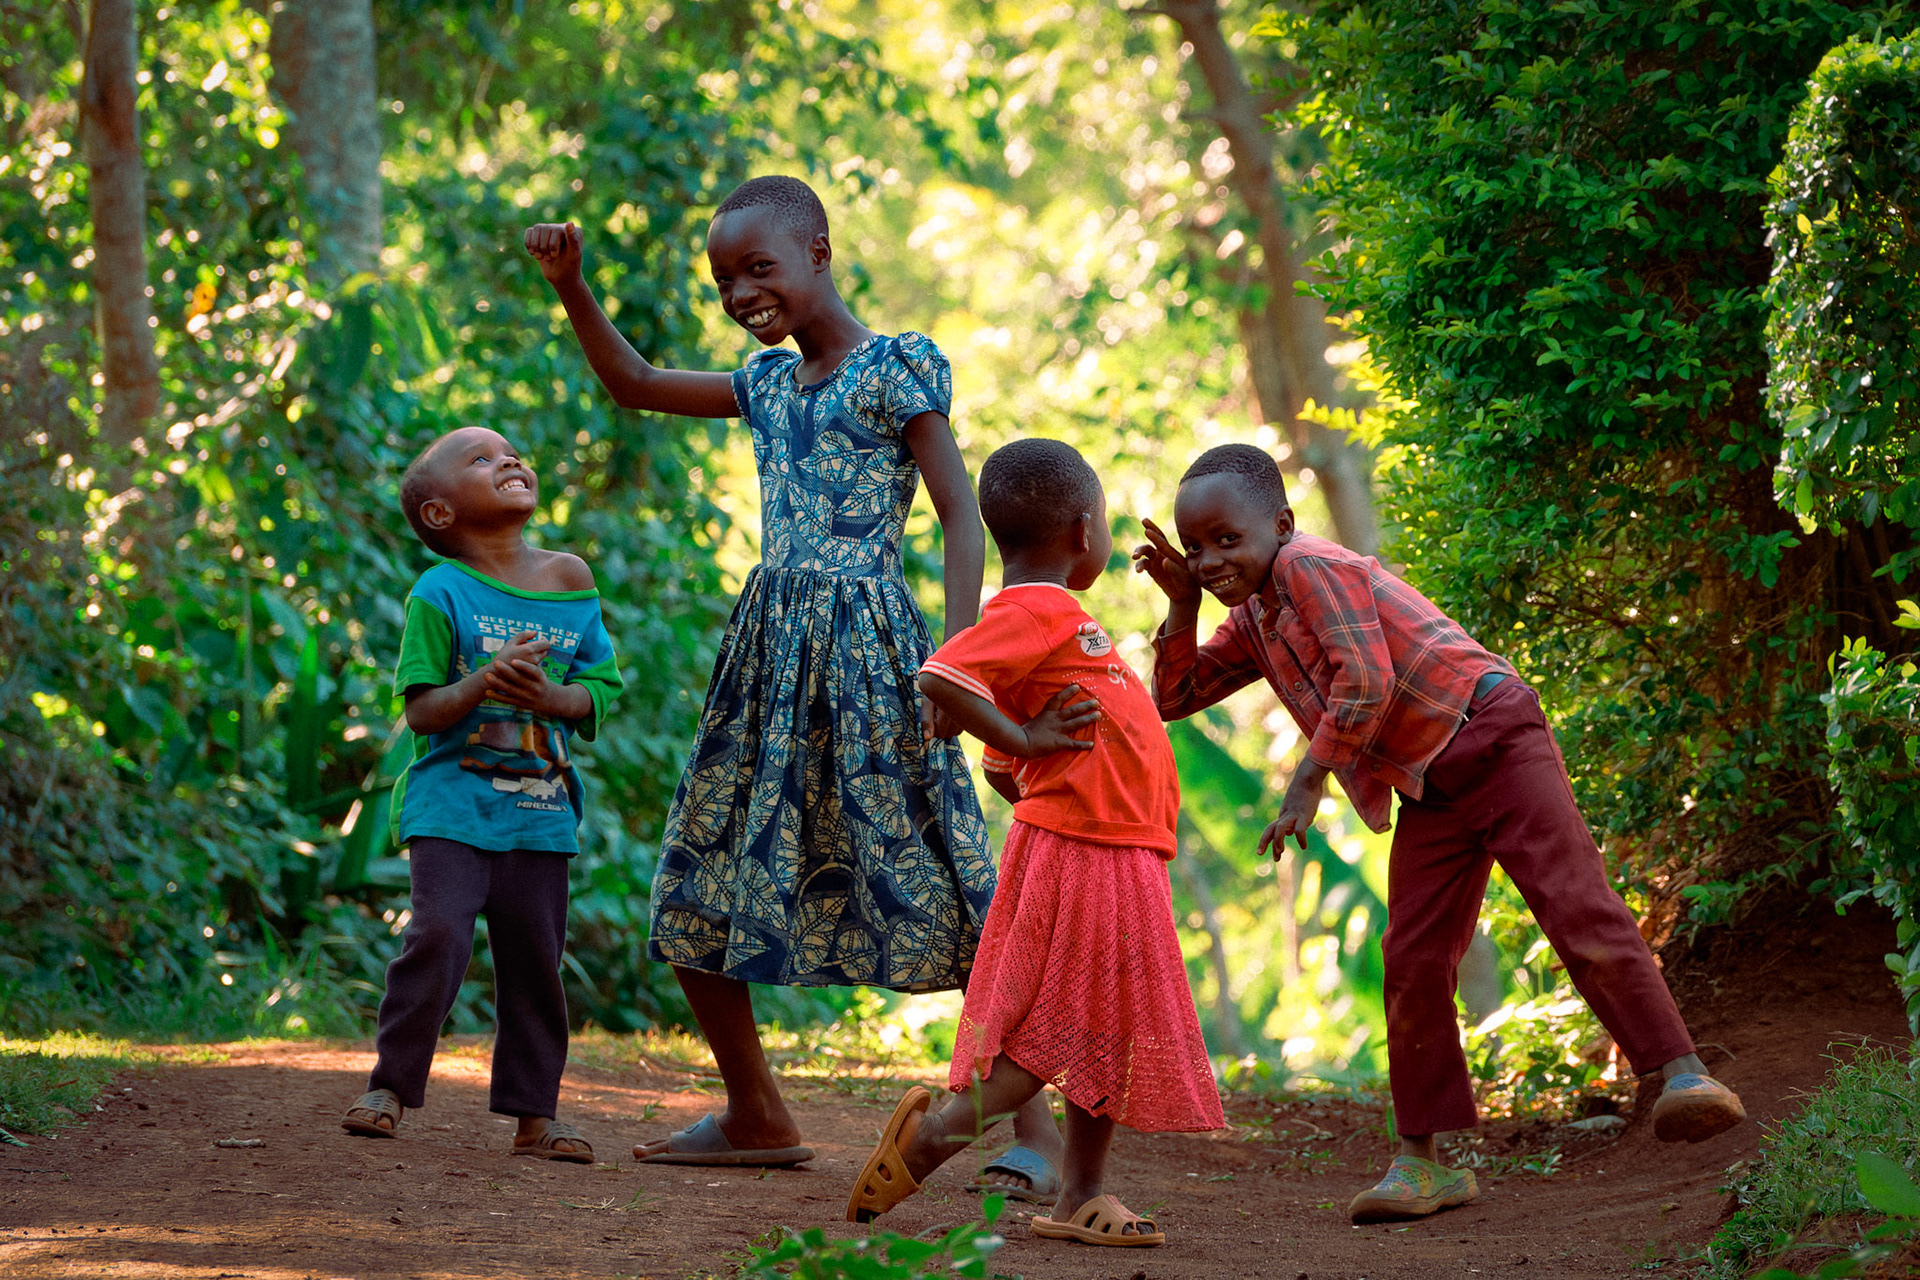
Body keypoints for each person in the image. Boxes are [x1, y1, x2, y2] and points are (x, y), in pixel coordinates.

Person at [523, 177, 1060, 1180]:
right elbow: (633, 383)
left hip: (877, 651)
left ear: (817, 250)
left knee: (947, 872)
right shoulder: (766, 384)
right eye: (723, 278)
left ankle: (1033, 1131)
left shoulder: (899, 366)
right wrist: (572, 287)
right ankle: (755, 1109)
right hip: (767, 658)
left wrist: (955, 664)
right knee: (698, 870)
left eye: (757, 268)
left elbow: (956, 513)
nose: (739, 293)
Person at [1133, 443, 1746, 1225]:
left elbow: (1366, 678)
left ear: (1281, 525)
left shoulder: (1309, 567)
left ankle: (1685, 1075)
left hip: (1490, 733)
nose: (1211, 559)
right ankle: (1423, 1164)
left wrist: (1307, 779)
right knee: (1414, 959)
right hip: (1431, 781)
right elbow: (1176, 694)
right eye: (1195, 548)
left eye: (1228, 540)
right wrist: (1183, 606)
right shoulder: (1254, 615)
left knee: (1574, 905)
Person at [845, 439, 1224, 1249]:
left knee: (1103, 1030)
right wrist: (1029, 733)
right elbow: (942, 677)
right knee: (1055, 1032)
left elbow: (1002, 768)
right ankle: (933, 1138)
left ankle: (1082, 1194)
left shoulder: (1054, 621)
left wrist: (1025, 750)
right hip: (1091, 852)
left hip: (1110, 848)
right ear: (1084, 529)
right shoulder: (1036, 608)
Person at [339, 425, 624, 1163]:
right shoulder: (440, 591)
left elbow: (600, 690)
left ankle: (537, 1118)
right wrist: (484, 681)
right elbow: (423, 710)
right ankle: (390, 1088)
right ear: (441, 514)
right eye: (482, 459)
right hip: (450, 807)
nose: (510, 462)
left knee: (535, 958)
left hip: (541, 811)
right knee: (437, 936)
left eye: (513, 454)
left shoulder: (570, 579)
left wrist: (552, 696)